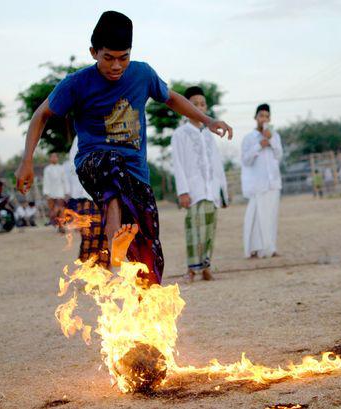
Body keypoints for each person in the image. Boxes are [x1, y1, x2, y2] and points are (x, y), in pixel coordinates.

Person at [15, 11, 232, 285]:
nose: (117, 66)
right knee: (112, 164)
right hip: (94, 164)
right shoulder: (77, 83)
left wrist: (208, 120)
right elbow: (41, 115)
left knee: (149, 248)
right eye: (109, 58)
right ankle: (113, 241)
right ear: (94, 52)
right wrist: (27, 161)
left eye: (123, 57)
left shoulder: (142, 74)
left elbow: (172, 98)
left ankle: (148, 304)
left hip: (136, 173)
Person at [171, 86, 229, 282]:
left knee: (210, 230)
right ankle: (191, 269)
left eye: (202, 104)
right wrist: (183, 192)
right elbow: (177, 164)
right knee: (194, 230)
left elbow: (217, 164)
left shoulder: (207, 134)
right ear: (185, 107)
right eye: (194, 104)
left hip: (211, 189)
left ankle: (206, 267)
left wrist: (222, 191)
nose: (199, 107)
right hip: (194, 191)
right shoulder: (180, 134)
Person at [241, 103, 283, 258]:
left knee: (271, 217)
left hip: (273, 182)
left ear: (270, 118)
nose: (263, 119)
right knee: (256, 217)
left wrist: (271, 141)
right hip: (257, 185)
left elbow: (279, 155)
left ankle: (270, 248)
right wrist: (259, 145)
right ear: (255, 118)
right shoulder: (249, 138)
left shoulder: (275, 135)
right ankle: (255, 249)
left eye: (266, 116)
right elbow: (246, 160)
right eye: (261, 116)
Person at [64, 136, 110, 267]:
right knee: (90, 235)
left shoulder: (110, 131)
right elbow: (74, 164)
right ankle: (86, 271)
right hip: (86, 195)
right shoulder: (81, 136)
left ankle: (104, 272)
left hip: (107, 195)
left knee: (106, 235)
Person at [42, 152, 67, 229]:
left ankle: (61, 225)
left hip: (60, 192)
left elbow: (65, 180)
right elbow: (46, 181)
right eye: (52, 157)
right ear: (50, 159)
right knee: (53, 211)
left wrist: (66, 192)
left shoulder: (61, 168)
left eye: (55, 157)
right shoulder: (47, 169)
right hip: (50, 192)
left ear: (57, 158)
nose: (54, 158)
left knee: (60, 209)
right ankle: (56, 224)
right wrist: (46, 193)